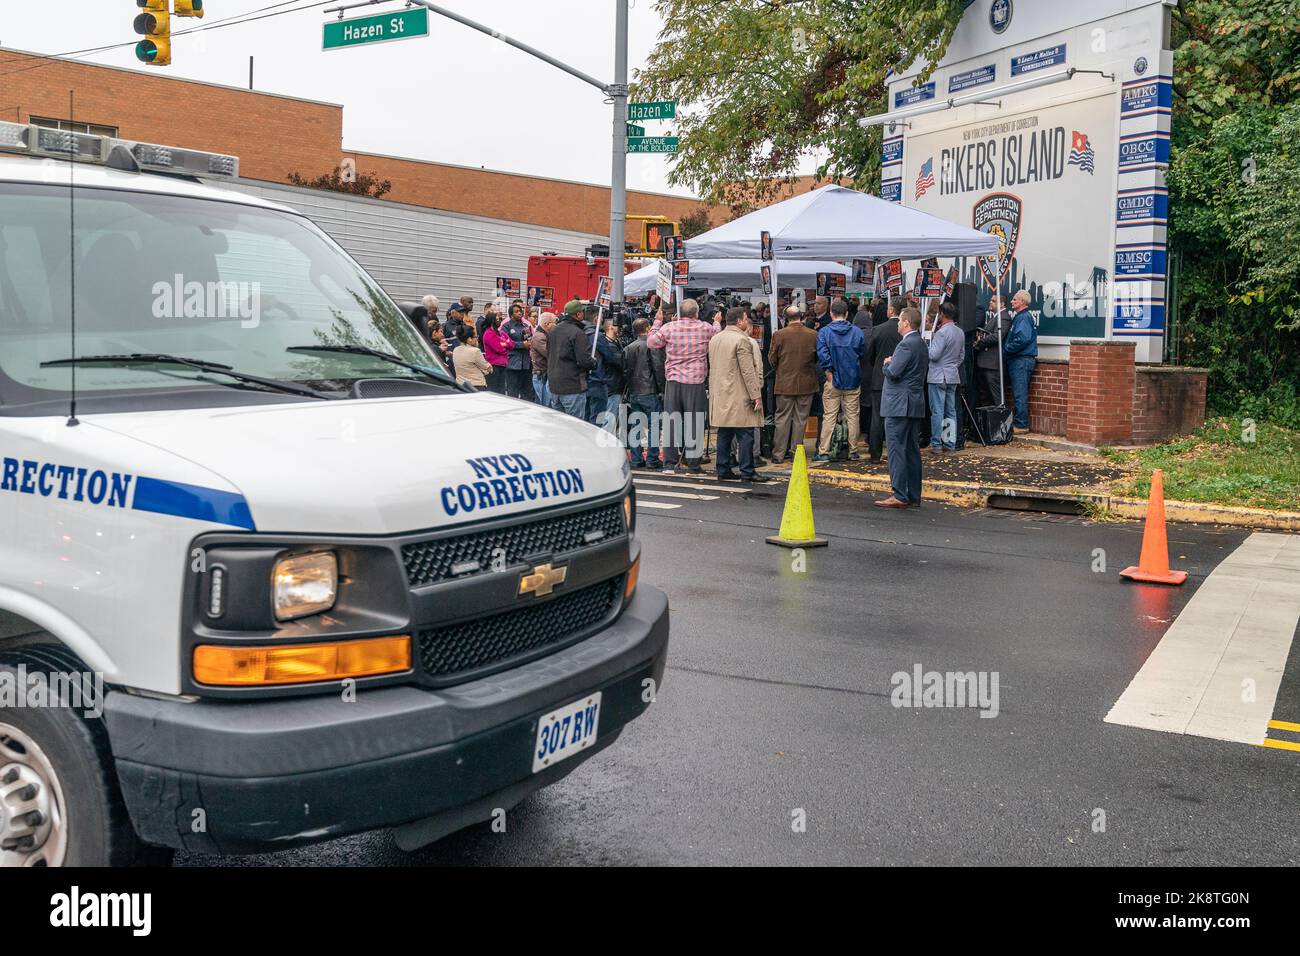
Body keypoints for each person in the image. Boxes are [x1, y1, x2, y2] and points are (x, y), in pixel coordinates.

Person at [647, 297, 717, 475]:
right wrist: (717, 322)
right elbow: (717, 335)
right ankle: (693, 464)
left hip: (673, 379)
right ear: (696, 312)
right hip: (695, 380)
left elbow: (651, 342)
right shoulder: (705, 328)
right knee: (694, 422)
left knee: (671, 421)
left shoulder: (669, 328)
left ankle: (669, 464)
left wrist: (657, 321)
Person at [707, 307, 768, 483]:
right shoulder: (742, 340)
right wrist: (756, 395)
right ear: (740, 321)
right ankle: (747, 470)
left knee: (724, 433)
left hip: (720, 392)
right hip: (738, 393)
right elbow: (748, 371)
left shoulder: (715, 339)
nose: (746, 320)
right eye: (745, 318)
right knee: (746, 433)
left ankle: (723, 468)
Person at [875, 307, 928, 509]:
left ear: (906, 323)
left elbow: (894, 372)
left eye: (900, 321)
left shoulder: (905, 345)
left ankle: (899, 494)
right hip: (914, 402)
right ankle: (913, 493)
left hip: (898, 404)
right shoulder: (921, 344)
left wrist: (887, 363)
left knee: (896, 449)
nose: (897, 323)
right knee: (912, 450)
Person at [813, 299, 865, 463]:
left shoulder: (824, 332)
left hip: (832, 379)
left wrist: (829, 373)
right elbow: (862, 353)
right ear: (847, 314)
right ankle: (853, 450)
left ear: (831, 314)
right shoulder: (857, 332)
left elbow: (822, 356)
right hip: (852, 378)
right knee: (853, 416)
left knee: (829, 416)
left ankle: (824, 450)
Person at [768, 304, 819, 464]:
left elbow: (772, 358)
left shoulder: (779, 334)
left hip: (784, 381)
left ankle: (778, 454)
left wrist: (781, 369)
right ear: (801, 316)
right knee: (800, 419)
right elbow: (817, 358)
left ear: (786, 318)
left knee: (782, 418)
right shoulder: (813, 334)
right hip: (806, 381)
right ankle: (796, 451)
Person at [862, 296, 904, 464]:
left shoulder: (878, 330)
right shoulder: (907, 332)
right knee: (899, 417)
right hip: (900, 379)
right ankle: (897, 452)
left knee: (877, 418)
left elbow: (869, 355)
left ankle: (875, 454)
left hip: (880, 378)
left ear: (891, 310)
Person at [623, 317, 665, 469]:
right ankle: (652, 459)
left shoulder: (628, 347)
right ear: (647, 329)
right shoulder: (651, 345)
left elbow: (625, 371)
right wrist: (662, 388)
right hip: (649, 390)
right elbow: (658, 368)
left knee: (636, 426)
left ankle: (636, 458)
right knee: (654, 426)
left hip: (634, 391)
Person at [926, 299, 965, 453]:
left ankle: (936, 443)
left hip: (937, 376)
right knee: (951, 411)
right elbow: (961, 356)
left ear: (942, 314)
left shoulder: (941, 333)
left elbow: (934, 355)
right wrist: (952, 366)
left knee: (937, 411)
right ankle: (949, 443)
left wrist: (926, 344)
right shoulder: (959, 332)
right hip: (952, 375)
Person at [547, 299, 596, 418]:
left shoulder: (553, 331)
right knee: (575, 429)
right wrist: (594, 362)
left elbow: (549, 353)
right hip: (572, 386)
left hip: (554, 386)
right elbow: (584, 360)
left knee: (561, 426)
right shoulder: (578, 333)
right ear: (578, 314)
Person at [1004, 289, 1038, 431]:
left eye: (1015, 299)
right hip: (1019, 360)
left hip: (1021, 360)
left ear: (1022, 302)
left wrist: (1006, 348)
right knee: (1018, 392)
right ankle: (1020, 422)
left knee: (1020, 392)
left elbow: (1022, 339)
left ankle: (1021, 424)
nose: (1012, 301)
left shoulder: (1023, 317)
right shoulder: (1020, 317)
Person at [974, 294, 1012, 408]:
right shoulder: (995, 317)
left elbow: (997, 336)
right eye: (990, 300)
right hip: (986, 363)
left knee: (997, 397)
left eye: (994, 301)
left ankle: (1000, 422)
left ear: (1002, 304)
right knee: (986, 396)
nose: (990, 302)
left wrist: (980, 342)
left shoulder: (1004, 317)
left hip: (993, 364)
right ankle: (988, 423)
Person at [588, 316, 625, 429]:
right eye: (616, 325)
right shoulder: (604, 345)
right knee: (608, 418)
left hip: (610, 384)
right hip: (610, 385)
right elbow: (617, 362)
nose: (619, 328)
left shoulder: (613, 343)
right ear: (610, 327)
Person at [500, 301, 533, 400]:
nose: (520, 313)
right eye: (516, 311)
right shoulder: (506, 326)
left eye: (521, 311)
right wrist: (521, 345)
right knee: (512, 392)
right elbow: (505, 343)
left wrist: (529, 343)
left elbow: (529, 340)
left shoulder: (525, 326)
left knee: (527, 392)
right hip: (513, 364)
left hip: (526, 364)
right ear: (511, 315)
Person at [480, 311, 509, 393]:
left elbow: (510, 343)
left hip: (502, 364)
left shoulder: (498, 333)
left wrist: (506, 345)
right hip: (494, 366)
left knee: (501, 390)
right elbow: (499, 348)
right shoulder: (489, 333)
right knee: (494, 390)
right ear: (492, 321)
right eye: (497, 319)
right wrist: (506, 346)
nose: (499, 321)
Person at [531, 311, 555, 407]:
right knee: (544, 406)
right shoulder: (540, 337)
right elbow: (550, 354)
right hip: (541, 376)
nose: (556, 325)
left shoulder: (543, 335)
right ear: (547, 324)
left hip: (543, 375)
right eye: (554, 322)